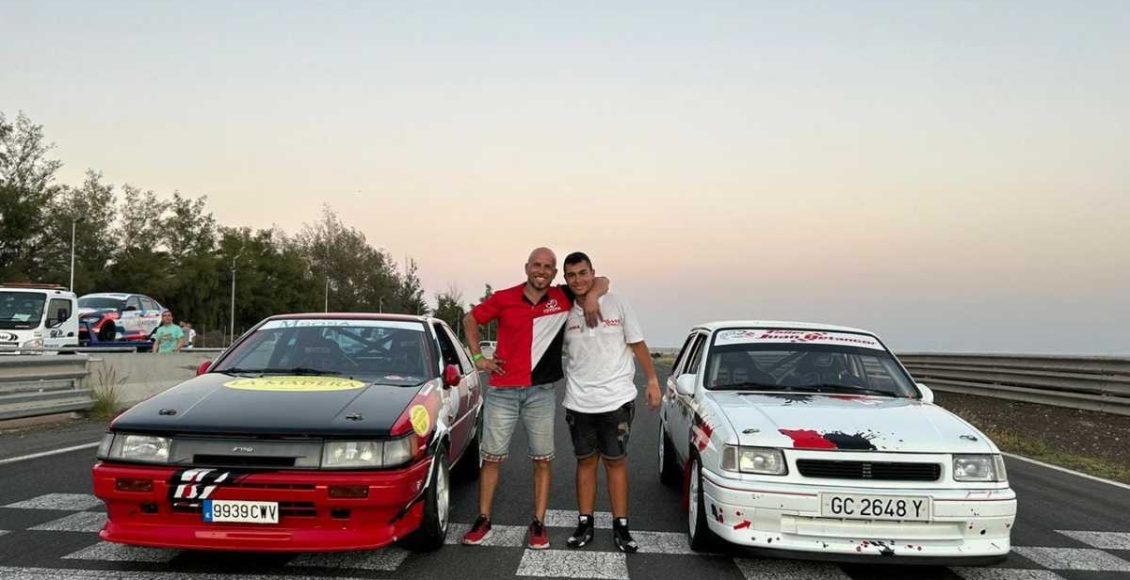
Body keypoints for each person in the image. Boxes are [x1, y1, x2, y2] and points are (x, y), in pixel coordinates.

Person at [461, 247, 608, 550]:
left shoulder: (562, 295)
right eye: (536, 265)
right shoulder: (504, 297)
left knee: (542, 459)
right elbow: (469, 319)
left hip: (540, 391)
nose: (541, 271)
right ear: (527, 267)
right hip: (502, 390)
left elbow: (602, 280)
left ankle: (538, 523)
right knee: (491, 458)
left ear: (554, 273)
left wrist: (593, 297)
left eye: (548, 267)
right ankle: (483, 519)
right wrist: (478, 357)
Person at [560, 251, 660, 553]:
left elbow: (637, 343)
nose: (578, 280)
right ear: (565, 279)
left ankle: (621, 527)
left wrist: (652, 380)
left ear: (593, 272)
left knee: (616, 463)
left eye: (583, 273)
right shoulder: (563, 309)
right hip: (579, 401)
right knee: (585, 462)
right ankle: (585, 524)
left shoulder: (617, 303)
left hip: (616, 400)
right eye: (571, 275)